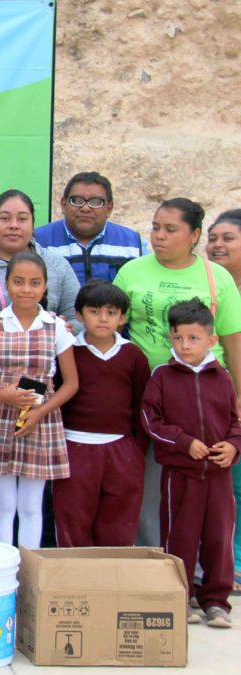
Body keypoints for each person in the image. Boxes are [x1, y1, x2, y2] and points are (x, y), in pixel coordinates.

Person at [115, 198, 241, 548]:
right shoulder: (132, 271)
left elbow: (233, 340)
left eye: (171, 230)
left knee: (201, 479)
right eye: (155, 227)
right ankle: (152, 557)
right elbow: (112, 326)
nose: (159, 236)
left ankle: (200, 567)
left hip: (203, 396)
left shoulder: (217, 279)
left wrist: (239, 397)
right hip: (145, 395)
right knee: (148, 479)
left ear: (194, 235)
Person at [0, 189, 80, 539]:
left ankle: (32, 569)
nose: (13, 225)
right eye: (5, 218)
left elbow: (74, 315)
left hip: (42, 398)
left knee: (31, 499)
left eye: (22, 218)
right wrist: (1, 392)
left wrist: (66, 329)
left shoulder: (56, 265)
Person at [142, 299, 240, 629]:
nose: (185, 345)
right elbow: (150, 420)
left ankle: (215, 602)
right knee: (179, 536)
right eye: (178, 337)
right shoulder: (163, 376)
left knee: (218, 538)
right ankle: (180, 597)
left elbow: (235, 422)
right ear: (170, 337)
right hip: (180, 475)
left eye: (193, 338)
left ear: (211, 341)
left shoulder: (222, 377)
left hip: (218, 476)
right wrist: (185, 443)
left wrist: (233, 446)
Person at [51, 281, 150, 547]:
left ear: (122, 318)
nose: (103, 319)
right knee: (73, 518)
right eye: (94, 311)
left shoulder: (133, 355)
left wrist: (135, 450)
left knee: (118, 522)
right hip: (74, 446)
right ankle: (77, 583)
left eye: (111, 312)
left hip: (121, 449)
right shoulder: (68, 351)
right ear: (80, 315)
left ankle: (112, 582)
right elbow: (57, 395)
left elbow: (142, 404)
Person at [207, 208, 241, 594]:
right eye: (213, 238)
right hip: (220, 402)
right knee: (227, 486)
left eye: (227, 238)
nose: (217, 245)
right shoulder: (208, 286)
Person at [34, 172, 148, 284]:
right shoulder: (38, 241)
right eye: (77, 200)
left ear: (109, 208)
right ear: (63, 205)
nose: (85, 208)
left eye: (96, 202)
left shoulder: (133, 244)